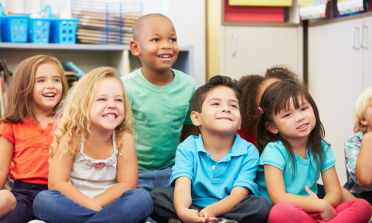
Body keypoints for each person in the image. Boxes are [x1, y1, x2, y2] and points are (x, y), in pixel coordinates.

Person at [33, 67, 153, 222]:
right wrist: (92, 207)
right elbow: (57, 183)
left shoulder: (124, 139)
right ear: (83, 106)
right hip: (74, 206)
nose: (112, 104)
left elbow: (127, 185)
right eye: (102, 99)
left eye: (118, 99)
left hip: (113, 207)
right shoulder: (72, 137)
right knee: (44, 200)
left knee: (142, 198)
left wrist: (97, 205)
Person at [150, 76, 272, 223]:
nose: (226, 109)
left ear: (239, 121)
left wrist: (210, 211)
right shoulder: (187, 147)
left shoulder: (249, 151)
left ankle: (216, 220)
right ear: (196, 118)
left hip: (231, 208)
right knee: (155, 197)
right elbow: (182, 188)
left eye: (233, 106)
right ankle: (197, 220)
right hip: (192, 205)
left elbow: (237, 195)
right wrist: (183, 212)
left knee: (261, 205)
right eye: (215, 104)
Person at [255, 80, 371, 223]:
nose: (300, 117)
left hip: (316, 211)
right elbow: (278, 197)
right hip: (289, 213)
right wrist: (320, 204)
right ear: (273, 127)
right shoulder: (274, 151)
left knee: (363, 206)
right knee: (281, 212)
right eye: (287, 115)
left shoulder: (322, 148)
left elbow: (334, 191)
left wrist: (324, 205)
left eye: (304, 108)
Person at [122, 13, 197, 193]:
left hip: (173, 171)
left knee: (184, 207)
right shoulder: (124, 86)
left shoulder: (188, 84)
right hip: (133, 173)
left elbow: (190, 131)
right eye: (155, 39)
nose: (166, 46)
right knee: (137, 207)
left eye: (172, 39)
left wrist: (186, 169)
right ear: (135, 48)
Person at [0, 55, 69, 222]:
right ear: (25, 87)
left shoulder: (69, 123)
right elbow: (2, 169)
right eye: (41, 81)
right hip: (22, 194)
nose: (51, 85)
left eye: (56, 80)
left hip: (58, 194)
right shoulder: (11, 124)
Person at [237, 66, 299, 147]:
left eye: (283, 89)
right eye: (272, 96)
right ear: (253, 113)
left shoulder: (301, 125)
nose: (283, 97)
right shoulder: (240, 137)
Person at [344, 85, 372, 204]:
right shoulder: (354, 142)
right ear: (363, 119)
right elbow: (364, 180)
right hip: (360, 196)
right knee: (333, 192)